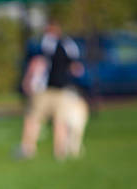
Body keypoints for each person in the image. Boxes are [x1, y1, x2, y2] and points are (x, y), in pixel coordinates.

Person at [20, 20, 86, 160]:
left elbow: (36, 63)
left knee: (41, 119)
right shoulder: (67, 45)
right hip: (51, 90)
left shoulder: (51, 44)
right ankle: (52, 151)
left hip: (53, 91)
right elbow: (76, 67)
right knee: (42, 119)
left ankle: (32, 149)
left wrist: (28, 80)